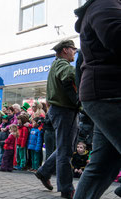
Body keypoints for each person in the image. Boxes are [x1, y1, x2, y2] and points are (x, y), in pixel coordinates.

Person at [74, 1, 121, 198]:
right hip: (109, 94)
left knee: (102, 166)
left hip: (103, 95)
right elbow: (117, 36)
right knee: (101, 167)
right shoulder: (105, 3)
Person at [34, 39, 78, 199]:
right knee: (65, 151)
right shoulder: (62, 64)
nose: (75, 52)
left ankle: (44, 172)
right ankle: (66, 189)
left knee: (64, 147)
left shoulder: (56, 64)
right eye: (73, 49)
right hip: (64, 110)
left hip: (61, 110)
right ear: (65, 50)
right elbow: (69, 75)